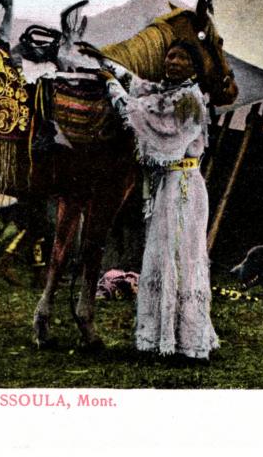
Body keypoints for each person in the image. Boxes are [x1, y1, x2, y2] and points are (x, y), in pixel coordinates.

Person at [99, 40, 219, 362]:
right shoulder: (169, 93)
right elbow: (140, 87)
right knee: (161, 255)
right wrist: (109, 66)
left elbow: (143, 114)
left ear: (194, 66)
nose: (172, 62)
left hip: (184, 188)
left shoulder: (188, 100)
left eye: (181, 57)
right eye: (169, 56)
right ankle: (158, 338)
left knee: (180, 257)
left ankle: (186, 341)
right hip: (168, 187)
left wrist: (113, 88)